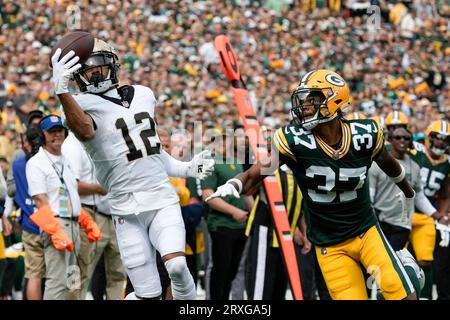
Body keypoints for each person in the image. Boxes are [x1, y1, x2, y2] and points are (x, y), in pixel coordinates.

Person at [207, 69, 423, 300]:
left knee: (402, 294)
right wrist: (234, 184)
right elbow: (253, 176)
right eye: (304, 100)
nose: (304, 106)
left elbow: (388, 163)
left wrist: (407, 190)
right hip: (329, 245)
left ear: (334, 100)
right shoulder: (294, 140)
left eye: (313, 100)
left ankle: (408, 271)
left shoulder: (365, 134)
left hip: (366, 232)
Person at [50, 38, 215, 300]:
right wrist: (62, 91)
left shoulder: (143, 94)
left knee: (178, 266)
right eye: (87, 70)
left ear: (113, 66)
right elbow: (85, 131)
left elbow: (151, 152)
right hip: (125, 208)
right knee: (146, 293)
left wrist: (186, 169)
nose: (94, 74)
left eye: (99, 67)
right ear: (76, 77)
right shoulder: (76, 106)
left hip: (161, 198)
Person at [26, 114, 101, 300]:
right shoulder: (36, 162)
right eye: (51, 131)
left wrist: (85, 219)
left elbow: (70, 195)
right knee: (57, 281)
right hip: (57, 225)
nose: (56, 135)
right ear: (42, 135)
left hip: (74, 224)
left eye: (59, 130)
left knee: (72, 282)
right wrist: (55, 231)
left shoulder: (65, 160)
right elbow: (40, 201)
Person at [62, 132, 126, 300]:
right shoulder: (72, 144)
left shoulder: (105, 138)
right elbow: (70, 184)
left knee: (118, 273)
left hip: (115, 214)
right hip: (87, 213)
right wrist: (99, 188)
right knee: (79, 271)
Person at [201, 130, 253, 300]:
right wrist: (234, 211)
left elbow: (245, 191)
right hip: (221, 224)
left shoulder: (236, 163)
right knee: (220, 270)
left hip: (241, 224)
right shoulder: (210, 164)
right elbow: (208, 195)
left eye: (226, 141)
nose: (223, 145)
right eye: (219, 142)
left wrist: (253, 211)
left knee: (232, 270)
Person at [370, 127, 439, 253]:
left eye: (406, 138)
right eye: (398, 137)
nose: (402, 140)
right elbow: (370, 193)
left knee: (395, 261)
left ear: (410, 142)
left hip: (402, 223)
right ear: (390, 139)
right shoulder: (378, 163)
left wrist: (435, 214)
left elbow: (418, 195)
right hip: (380, 220)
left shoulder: (415, 167)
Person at [407, 120, 450, 299]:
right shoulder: (414, 153)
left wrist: (443, 216)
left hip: (427, 215)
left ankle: (425, 295)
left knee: (426, 260)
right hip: (402, 213)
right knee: (397, 260)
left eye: (445, 139)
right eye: (436, 137)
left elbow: (445, 194)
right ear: (428, 136)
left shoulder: (447, 163)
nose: (440, 142)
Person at [7, 126, 45, 300]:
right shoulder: (46, 162)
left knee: (33, 275)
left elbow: (12, 191)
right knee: (55, 276)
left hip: (29, 222)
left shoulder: (17, 164)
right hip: (50, 223)